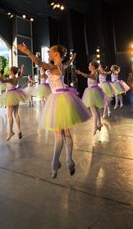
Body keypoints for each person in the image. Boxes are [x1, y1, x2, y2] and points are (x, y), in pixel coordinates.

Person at [18, 43, 91, 178]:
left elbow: (39, 62)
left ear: (56, 54)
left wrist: (27, 51)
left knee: (59, 135)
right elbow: (67, 62)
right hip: (63, 98)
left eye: (50, 51)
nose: (48, 53)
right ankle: (69, 160)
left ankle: (55, 163)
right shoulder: (61, 66)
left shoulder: (53, 67)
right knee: (66, 132)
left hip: (58, 100)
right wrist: (73, 58)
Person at [0, 67, 28, 141]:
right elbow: (20, 75)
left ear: (11, 71)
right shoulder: (16, 78)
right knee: (16, 113)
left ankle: (11, 131)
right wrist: (22, 70)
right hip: (16, 94)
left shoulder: (11, 79)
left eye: (9, 70)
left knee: (9, 114)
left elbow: (3, 80)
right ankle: (19, 130)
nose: (8, 71)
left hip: (10, 95)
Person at [76, 61, 106, 135]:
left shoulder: (94, 74)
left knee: (94, 111)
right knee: (95, 110)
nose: (88, 66)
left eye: (89, 65)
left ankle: (95, 126)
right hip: (92, 92)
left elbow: (87, 76)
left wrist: (80, 73)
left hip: (93, 93)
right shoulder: (93, 73)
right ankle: (99, 124)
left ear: (93, 66)